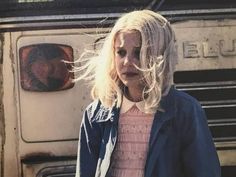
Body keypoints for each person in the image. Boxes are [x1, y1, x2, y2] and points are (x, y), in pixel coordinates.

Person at [75, 10, 221, 177]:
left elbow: (205, 172)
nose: (127, 62)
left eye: (138, 53)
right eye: (121, 52)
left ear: (160, 55)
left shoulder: (185, 110)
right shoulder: (96, 113)